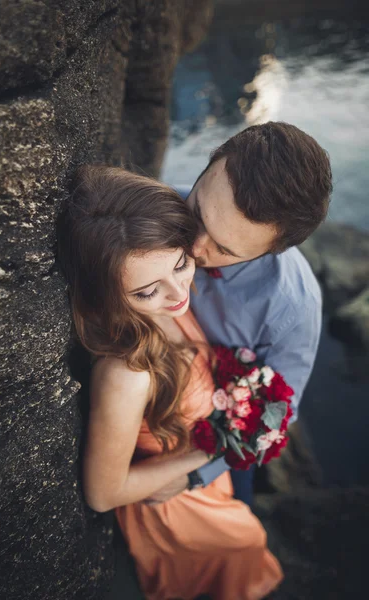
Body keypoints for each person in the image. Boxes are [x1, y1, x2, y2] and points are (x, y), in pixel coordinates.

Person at [57, 164, 283, 600]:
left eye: (181, 264)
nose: (178, 292)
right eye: (146, 292)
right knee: (247, 545)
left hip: (203, 480)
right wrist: (208, 449)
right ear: (104, 295)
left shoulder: (172, 307)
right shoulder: (126, 374)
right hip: (171, 505)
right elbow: (103, 494)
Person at [146, 121, 333, 507]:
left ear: (272, 250)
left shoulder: (295, 306)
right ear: (206, 169)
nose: (195, 249)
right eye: (197, 211)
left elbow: (279, 411)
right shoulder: (149, 208)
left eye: (225, 249)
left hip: (210, 452)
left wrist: (194, 475)